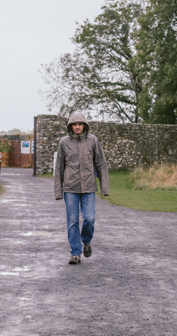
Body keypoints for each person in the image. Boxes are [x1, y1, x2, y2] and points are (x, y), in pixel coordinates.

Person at [54, 112, 109, 265]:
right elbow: (59, 168)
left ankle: (86, 241)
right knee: (72, 221)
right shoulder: (64, 143)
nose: (77, 127)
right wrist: (58, 191)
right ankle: (75, 253)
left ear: (84, 125)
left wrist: (104, 188)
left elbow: (101, 164)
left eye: (80, 124)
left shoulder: (93, 140)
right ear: (70, 126)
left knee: (89, 218)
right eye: (74, 124)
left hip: (89, 188)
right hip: (70, 188)